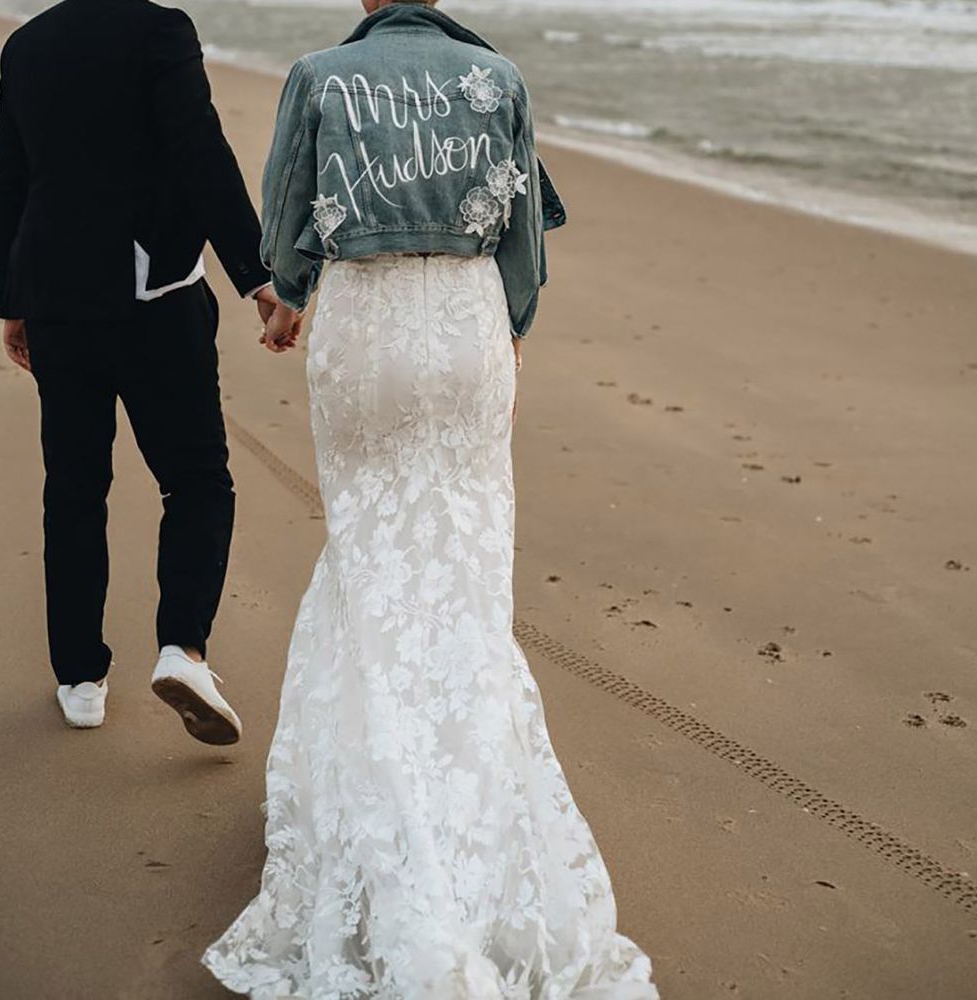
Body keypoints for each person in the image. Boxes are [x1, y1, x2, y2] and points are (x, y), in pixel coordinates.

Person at [203, 0, 660, 996]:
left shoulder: (320, 76)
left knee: (369, 553)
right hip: (465, 322)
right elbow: (524, 245)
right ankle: (466, 814)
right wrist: (509, 332)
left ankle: (373, 811)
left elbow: (286, 232)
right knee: (461, 564)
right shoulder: (496, 79)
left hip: (363, 326)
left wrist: (284, 297)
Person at [0, 0, 302, 742]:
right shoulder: (162, 30)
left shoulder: (26, 43)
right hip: (153, 300)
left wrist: (13, 298)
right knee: (195, 478)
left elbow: (10, 171)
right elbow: (199, 149)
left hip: (57, 298)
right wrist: (258, 278)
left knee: (74, 486)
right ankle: (182, 648)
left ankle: (78, 676)